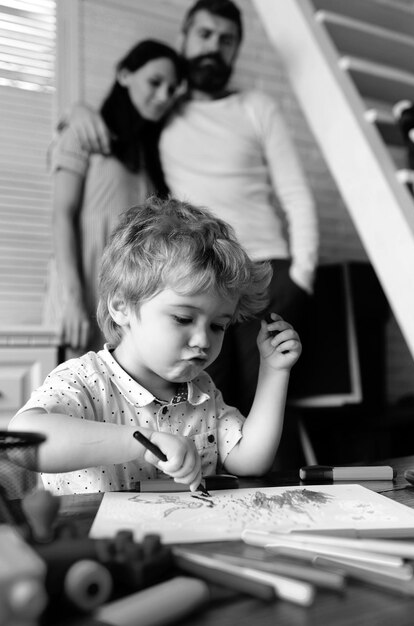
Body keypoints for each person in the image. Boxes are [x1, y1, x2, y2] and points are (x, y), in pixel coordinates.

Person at [63, 0, 318, 414]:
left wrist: (302, 275)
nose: (213, 47)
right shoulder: (163, 111)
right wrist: (77, 113)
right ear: (183, 38)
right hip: (194, 278)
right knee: (202, 405)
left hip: (266, 273)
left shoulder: (257, 106)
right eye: (204, 35)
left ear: (236, 49)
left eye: (226, 40)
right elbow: (118, 118)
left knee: (268, 403)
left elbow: (295, 193)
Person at [9, 197, 302, 496]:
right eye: (183, 318)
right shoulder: (85, 380)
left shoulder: (202, 392)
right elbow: (24, 443)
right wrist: (140, 440)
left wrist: (274, 371)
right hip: (93, 537)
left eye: (217, 326)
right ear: (121, 306)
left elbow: (250, 461)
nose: (203, 340)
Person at [46, 39, 186, 356]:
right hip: (80, 302)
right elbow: (61, 217)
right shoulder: (84, 134)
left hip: (127, 312)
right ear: (124, 75)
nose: (164, 96)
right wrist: (71, 301)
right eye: (155, 82)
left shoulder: (151, 164)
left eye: (171, 89)